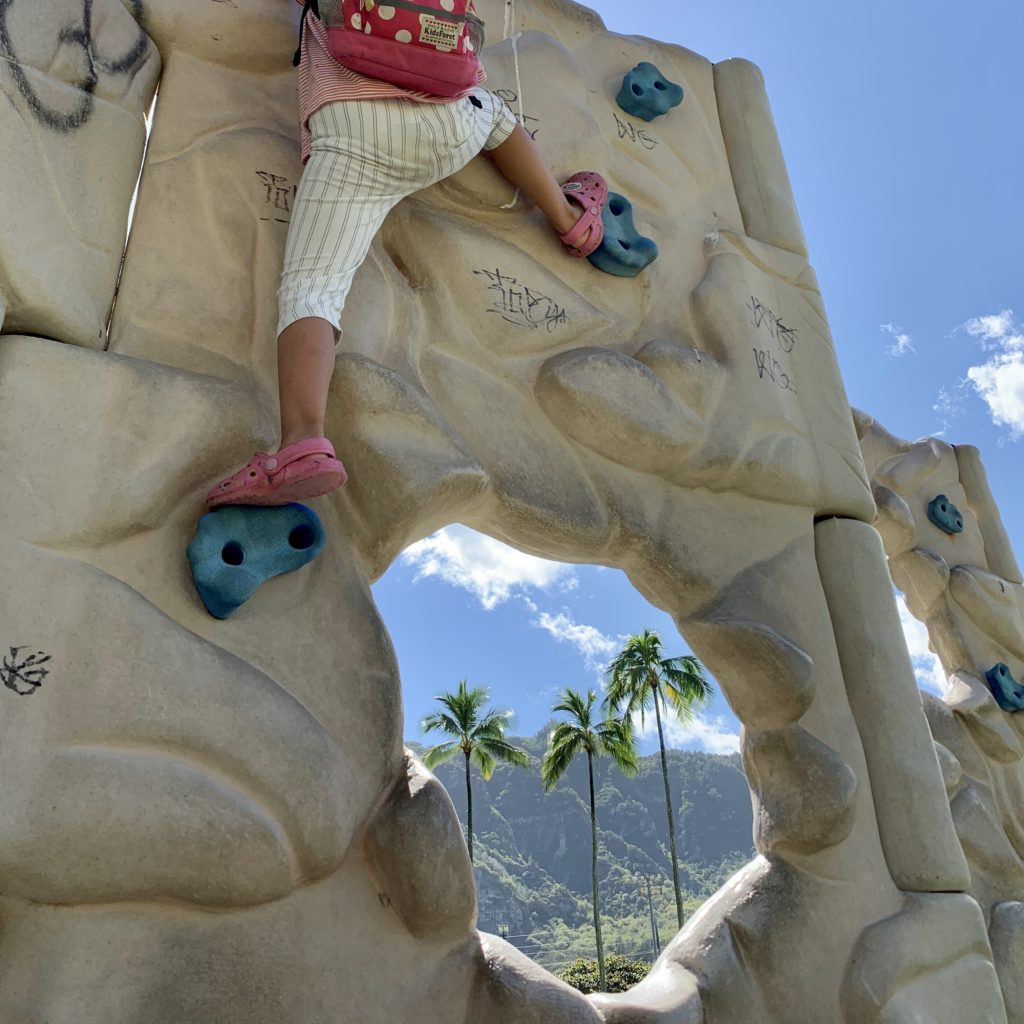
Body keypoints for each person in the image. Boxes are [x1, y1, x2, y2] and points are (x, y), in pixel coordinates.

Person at [207, 3, 607, 508]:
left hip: (355, 131)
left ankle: (302, 443)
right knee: (495, 115)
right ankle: (572, 221)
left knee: (313, 287)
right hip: (452, 125)